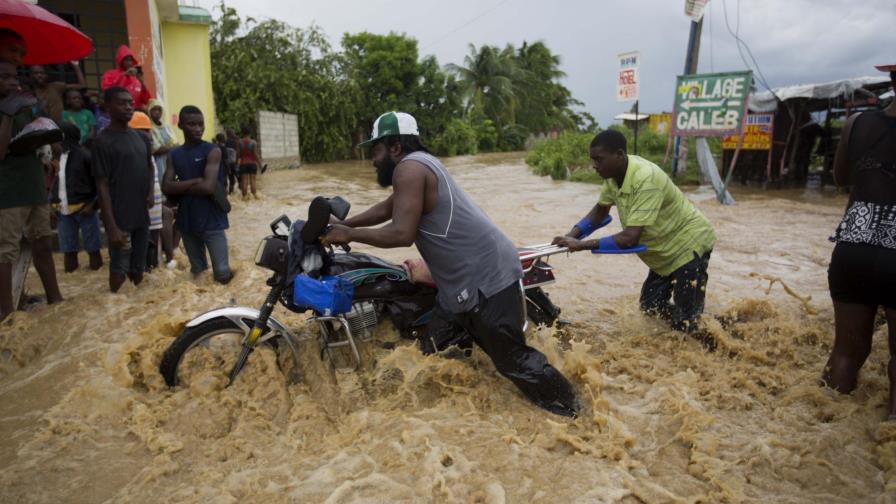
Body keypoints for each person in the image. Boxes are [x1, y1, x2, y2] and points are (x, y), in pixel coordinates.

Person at [322, 111, 579, 417]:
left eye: (376, 150)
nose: (373, 160)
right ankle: (456, 416)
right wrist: (345, 224)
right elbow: (388, 208)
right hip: (458, 285)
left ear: (395, 147)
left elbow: (402, 233)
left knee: (514, 361)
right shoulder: (420, 165)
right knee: (435, 350)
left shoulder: (409, 169)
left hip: (484, 279)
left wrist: (349, 234)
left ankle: (575, 413)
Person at [552, 130, 716, 338]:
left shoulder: (646, 179)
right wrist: (570, 237)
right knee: (650, 307)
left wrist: (581, 245)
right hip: (662, 251)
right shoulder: (613, 176)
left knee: (687, 324)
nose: (594, 165)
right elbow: (600, 211)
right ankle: (696, 327)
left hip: (688, 245)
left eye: (599, 160)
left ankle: (717, 335)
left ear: (619, 155)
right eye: (593, 160)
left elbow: (629, 238)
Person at [822, 64, 896, 422]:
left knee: (846, 354)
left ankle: (822, 421)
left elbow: (841, 179)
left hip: (853, 247)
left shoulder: (856, 124)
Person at [0, 54, 64, 321]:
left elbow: (37, 140)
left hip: (35, 186)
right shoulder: (9, 109)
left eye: (15, 76)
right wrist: (7, 114)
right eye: (5, 76)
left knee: (43, 243)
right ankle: (7, 316)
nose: (12, 82)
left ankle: (56, 300)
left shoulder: (24, 106)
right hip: (8, 193)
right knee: (6, 253)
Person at [92, 86, 154, 292]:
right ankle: (114, 304)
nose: (128, 107)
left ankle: (134, 306)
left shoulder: (141, 138)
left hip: (141, 216)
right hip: (120, 218)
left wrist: (150, 193)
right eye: (122, 103)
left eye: (130, 103)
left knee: (139, 269)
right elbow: (101, 185)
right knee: (119, 270)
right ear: (108, 107)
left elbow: (149, 166)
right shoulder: (102, 142)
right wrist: (111, 227)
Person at [162, 105, 233, 284]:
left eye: (201, 124)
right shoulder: (174, 154)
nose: (198, 128)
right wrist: (195, 181)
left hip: (212, 220)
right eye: (192, 124)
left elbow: (208, 187)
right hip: (187, 221)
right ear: (180, 126)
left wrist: (179, 186)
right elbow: (166, 187)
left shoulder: (212, 150)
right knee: (198, 273)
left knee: (222, 274)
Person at [51, 122, 102, 272]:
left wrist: (93, 205)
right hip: (63, 210)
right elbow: (54, 183)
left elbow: (100, 183)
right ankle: (71, 274)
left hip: (85, 208)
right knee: (68, 250)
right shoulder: (56, 158)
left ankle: (95, 274)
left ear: (64, 138)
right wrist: (52, 204)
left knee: (93, 248)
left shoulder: (85, 155)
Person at [128, 111, 163, 270]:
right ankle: (142, 267)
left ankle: (153, 266)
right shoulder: (132, 152)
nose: (148, 135)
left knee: (154, 233)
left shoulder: (147, 151)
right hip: (140, 202)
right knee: (140, 238)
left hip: (153, 201)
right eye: (144, 130)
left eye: (148, 130)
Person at [101, 45, 151, 111]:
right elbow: (107, 91)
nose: (129, 63)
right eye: (126, 60)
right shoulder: (110, 74)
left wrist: (142, 82)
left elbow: (146, 100)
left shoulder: (136, 78)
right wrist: (123, 75)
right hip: (118, 111)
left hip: (135, 112)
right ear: (121, 60)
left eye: (131, 60)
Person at [147, 99, 177, 184]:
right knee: (161, 182)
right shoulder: (148, 127)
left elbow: (176, 142)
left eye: (159, 109)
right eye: (154, 109)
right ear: (149, 111)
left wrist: (170, 147)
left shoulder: (166, 126)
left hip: (170, 159)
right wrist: (172, 147)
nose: (157, 112)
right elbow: (156, 149)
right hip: (157, 162)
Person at [237, 125, 261, 199]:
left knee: (244, 181)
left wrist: (236, 163)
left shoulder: (239, 142)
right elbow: (255, 154)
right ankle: (255, 196)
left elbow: (238, 154)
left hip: (243, 163)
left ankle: (244, 197)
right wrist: (260, 164)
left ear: (242, 132)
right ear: (250, 133)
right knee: (253, 181)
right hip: (252, 163)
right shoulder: (253, 142)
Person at [225, 129, 239, 194]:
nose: (234, 134)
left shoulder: (225, 142)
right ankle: (242, 194)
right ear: (230, 134)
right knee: (239, 178)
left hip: (228, 164)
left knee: (231, 179)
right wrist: (237, 162)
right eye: (233, 133)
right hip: (234, 163)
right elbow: (238, 153)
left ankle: (230, 193)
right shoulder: (235, 141)